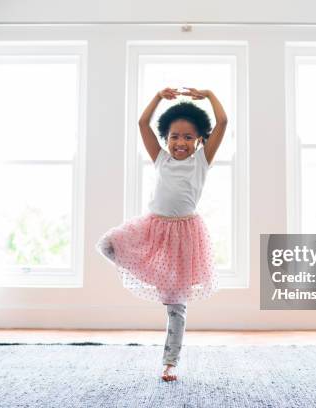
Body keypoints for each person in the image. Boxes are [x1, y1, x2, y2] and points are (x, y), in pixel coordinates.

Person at [95, 86, 228, 382]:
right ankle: (153, 273)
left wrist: (208, 95)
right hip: (153, 228)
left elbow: (223, 122)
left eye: (188, 137)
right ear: (166, 139)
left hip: (184, 236)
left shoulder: (201, 161)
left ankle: (170, 362)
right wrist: (157, 98)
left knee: (176, 308)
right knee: (106, 244)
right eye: (174, 136)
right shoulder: (161, 158)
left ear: (199, 141)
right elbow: (143, 124)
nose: (180, 142)